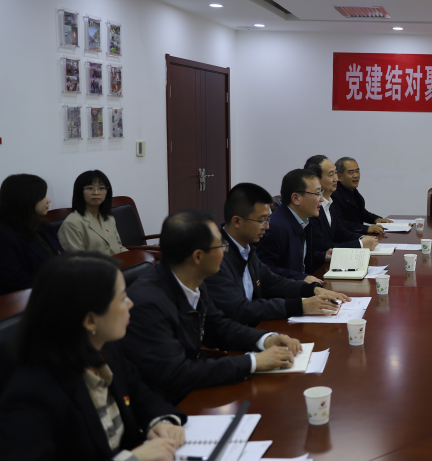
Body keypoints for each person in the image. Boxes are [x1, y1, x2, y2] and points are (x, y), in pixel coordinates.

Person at [0, 253, 186, 461]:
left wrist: (160, 420)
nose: (131, 303)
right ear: (90, 320)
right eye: (122, 297)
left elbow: (141, 393)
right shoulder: (33, 395)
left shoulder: (104, 348)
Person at [121, 209, 303, 404]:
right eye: (220, 244)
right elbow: (175, 374)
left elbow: (219, 328)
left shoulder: (193, 280)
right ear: (198, 257)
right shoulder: (148, 303)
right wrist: (252, 362)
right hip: (166, 404)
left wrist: (266, 339)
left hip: (191, 387)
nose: (225, 250)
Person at [206, 182, 350, 327]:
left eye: (268, 219)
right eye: (262, 220)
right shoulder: (216, 257)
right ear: (237, 221)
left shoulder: (246, 249)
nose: (267, 226)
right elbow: (241, 309)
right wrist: (300, 306)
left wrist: (313, 289)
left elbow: (272, 281)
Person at [256, 169, 333, 282]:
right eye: (317, 194)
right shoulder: (275, 227)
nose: (321, 199)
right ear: (296, 198)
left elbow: (296, 258)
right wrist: (301, 278)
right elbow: (264, 270)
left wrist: (322, 256)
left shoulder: (305, 221)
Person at [0, 173, 62, 295]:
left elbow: (63, 258)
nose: (48, 200)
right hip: (30, 298)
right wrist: (59, 284)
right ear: (26, 199)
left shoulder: (44, 227)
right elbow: (14, 280)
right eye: (43, 196)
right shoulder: (4, 236)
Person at [304, 155, 377, 252]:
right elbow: (321, 247)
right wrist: (360, 244)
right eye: (331, 175)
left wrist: (362, 238)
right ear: (316, 179)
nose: (336, 179)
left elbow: (340, 232)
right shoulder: (311, 208)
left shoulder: (329, 203)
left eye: (335, 173)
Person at [57, 169, 128, 255]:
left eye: (101, 188)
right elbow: (78, 260)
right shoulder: (71, 224)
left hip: (118, 263)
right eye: (90, 188)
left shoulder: (109, 218)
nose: (96, 192)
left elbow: (119, 248)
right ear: (79, 191)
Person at [334, 156, 392, 235]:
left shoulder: (352, 191)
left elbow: (361, 212)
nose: (356, 175)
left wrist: (376, 219)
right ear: (339, 177)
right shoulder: (334, 194)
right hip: (345, 238)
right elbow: (339, 223)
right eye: (351, 172)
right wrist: (366, 228)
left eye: (357, 171)